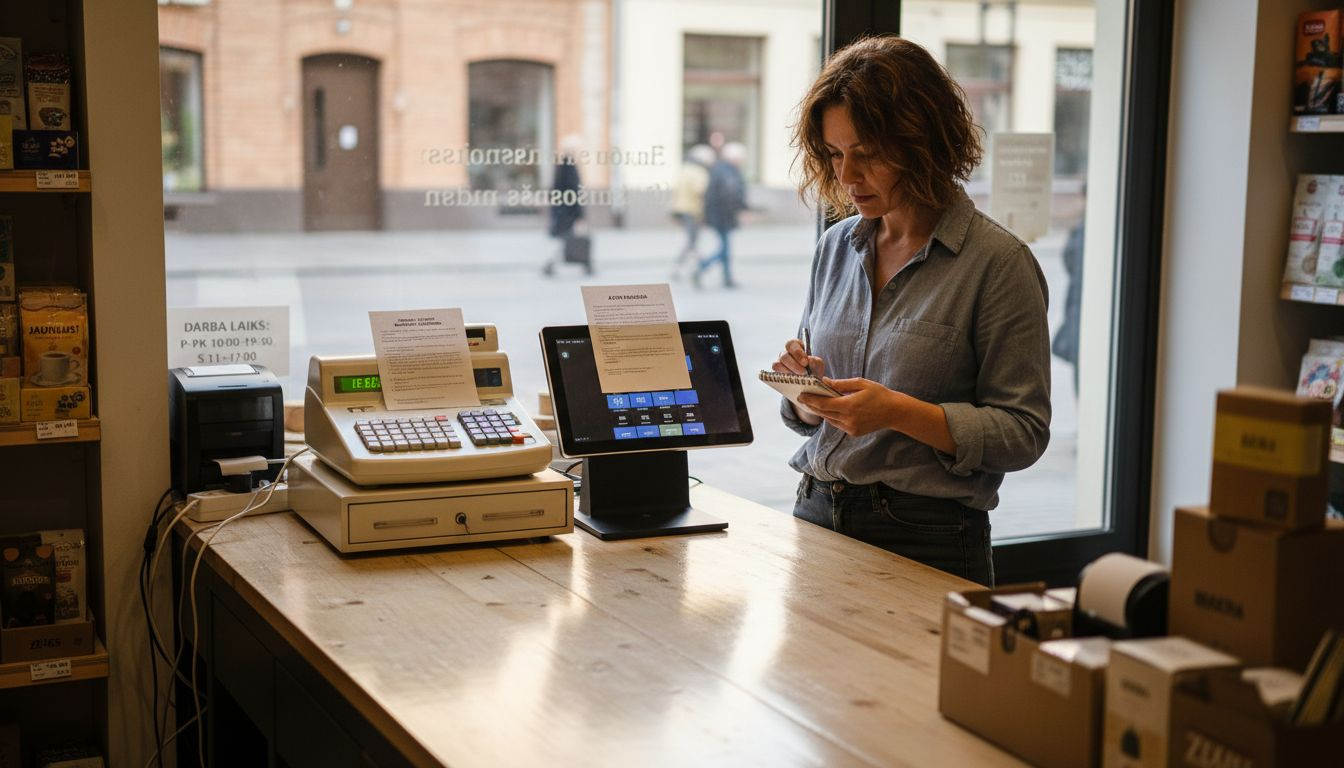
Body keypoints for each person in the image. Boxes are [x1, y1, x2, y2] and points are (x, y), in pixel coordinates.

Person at [772, 36, 1051, 587]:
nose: (848, 176)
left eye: (867, 154)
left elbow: (1024, 433)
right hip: (815, 515)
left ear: (924, 141)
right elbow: (813, 418)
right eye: (834, 154)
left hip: (926, 536)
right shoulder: (837, 246)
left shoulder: (999, 263)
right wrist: (808, 396)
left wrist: (897, 412)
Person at [693, 142, 747, 289]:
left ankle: (727, 278)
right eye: (741, 158)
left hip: (718, 215)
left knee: (726, 247)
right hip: (723, 216)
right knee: (725, 249)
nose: (742, 161)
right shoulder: (728, 172)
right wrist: (740, 210)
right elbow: (731, 194)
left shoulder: (719, 170)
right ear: (734, 158)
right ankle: (703, 267)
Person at [543, 135, 588, 276]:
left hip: (563, 210)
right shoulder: (569, 166)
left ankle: (585, 264)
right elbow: (574, 191)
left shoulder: (563, 165)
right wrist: (579, 214)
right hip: (567, 211)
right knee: (565, 239)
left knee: (564, 239)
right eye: (578, 148)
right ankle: (550, 264)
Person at [669, 144, 715, 280]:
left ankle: (692, 266)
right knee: (692, 240)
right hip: (693, 210)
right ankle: (692, 266)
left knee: (692, 240)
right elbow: (701, 191)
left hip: (681, 208)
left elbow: (676, 189)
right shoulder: (699, 172)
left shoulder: (685, 169)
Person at [1052, 214, 1085, 394]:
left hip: (1079, 316)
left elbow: (1068, 256)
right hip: (1079, 314)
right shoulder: (1085, 230)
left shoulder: (1083, 231)